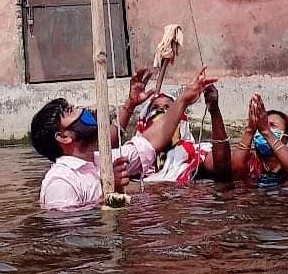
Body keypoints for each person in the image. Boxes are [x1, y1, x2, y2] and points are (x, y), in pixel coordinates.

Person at [30, 67, 215, 210]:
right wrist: (114, 191)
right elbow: (76, 238)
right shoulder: (61, 183)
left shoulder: (101, 159)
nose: (82, 110)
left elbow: (152, 141)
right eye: (72, 111)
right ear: (63, 137)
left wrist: (183, 98)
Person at [136, 83, 233, 185]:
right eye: (154, 108)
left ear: (180, 122)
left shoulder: (192, 154)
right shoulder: (136, 159)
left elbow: (222, 168)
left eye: (168, 108)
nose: (161, 111)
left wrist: (214, 111)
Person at [232, 94, 288, 184]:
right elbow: (234, 174)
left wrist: (267, 132)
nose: (263, 129)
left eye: (272, 125)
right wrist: (250, 130)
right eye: (260, 127)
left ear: (286, 139)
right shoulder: (252, 162)